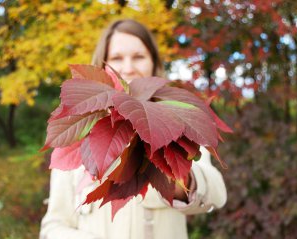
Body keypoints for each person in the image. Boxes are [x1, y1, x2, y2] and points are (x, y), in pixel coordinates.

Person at [39, 19, 227, 239]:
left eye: (138, 57)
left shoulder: (176, 121)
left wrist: (180, 179)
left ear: (154, 63)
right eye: (117, 58)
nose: (128, 68)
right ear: (101, 66)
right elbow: (53, 227)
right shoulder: (79, 131)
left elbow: (217, 194)